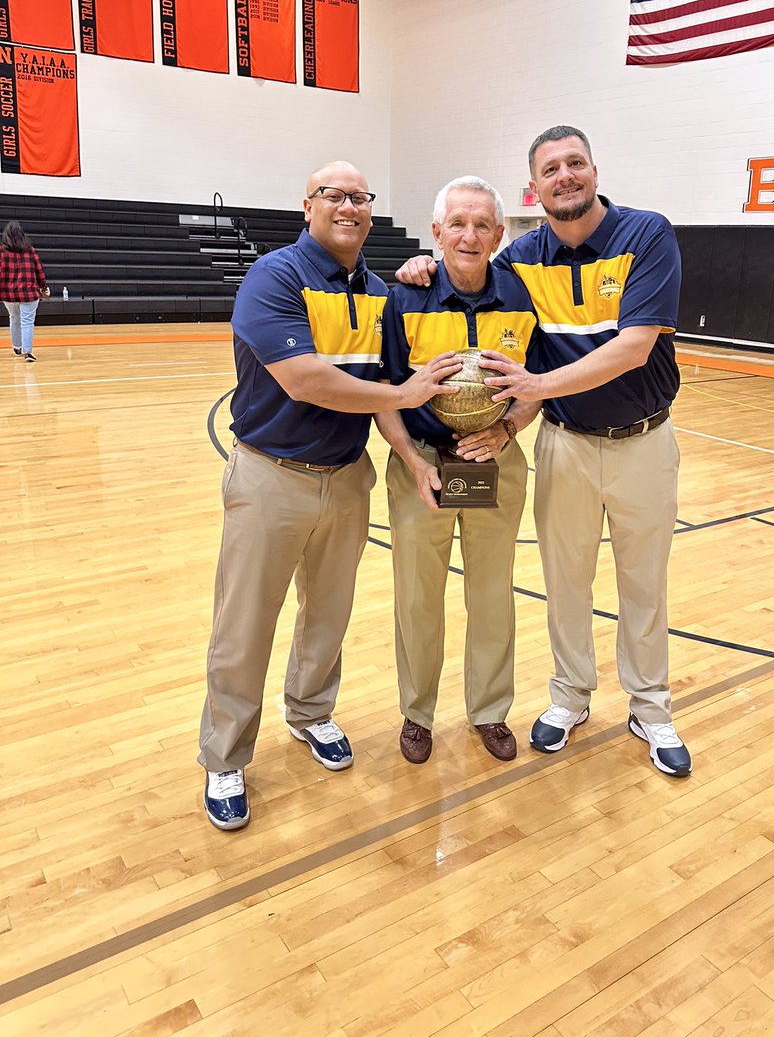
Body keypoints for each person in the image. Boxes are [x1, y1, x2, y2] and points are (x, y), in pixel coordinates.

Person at [395, 126, 691, 777]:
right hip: (563, 445)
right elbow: (464, 266)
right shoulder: (519, 258)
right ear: (537, 184)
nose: (565, 175)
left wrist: (534, 390)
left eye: (574, 163)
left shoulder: (646, 234)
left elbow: (635, 346)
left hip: (644, 439)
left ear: (593, 169)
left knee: (644, 583)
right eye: (550, 168)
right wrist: (419, 267)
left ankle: (651, 707)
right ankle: (569, 699)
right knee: (566, 584)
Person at [199, 160, 463, 830]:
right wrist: (403, 394)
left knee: (328, 615)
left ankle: (310, 713)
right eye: (334, 196)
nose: (349, 206)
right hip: (271, 478)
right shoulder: (276, 277)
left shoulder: (377, 291)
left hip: (348, 479)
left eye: (359, 197)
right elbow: (304, 380)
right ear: (307, 206)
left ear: (371, 210)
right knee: (245, 623)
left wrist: (411, 454)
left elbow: (384, 400)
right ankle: (225, 755)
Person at [377, 177, 541, 765]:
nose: (469, 236)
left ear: (499, 234)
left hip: (495, 460)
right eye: (458, 223)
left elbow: (535, 388)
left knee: (492, 592)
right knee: (419, 596)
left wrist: (505, 431)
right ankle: (416, 713)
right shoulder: (404, 297)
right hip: (423, 463)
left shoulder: (524, 298)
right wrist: (414, 462)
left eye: (482, 225)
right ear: (438, 231)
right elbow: (384, 396)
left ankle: (490, 710)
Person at [1, 221, 50, 363]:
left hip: (9, 293)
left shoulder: (2, 252)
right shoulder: (30, 250)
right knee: (27, 322)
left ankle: (17, 347)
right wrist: (43, 287)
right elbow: (39, 270)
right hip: (29, 291)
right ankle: (28, 352)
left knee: (14, 318)